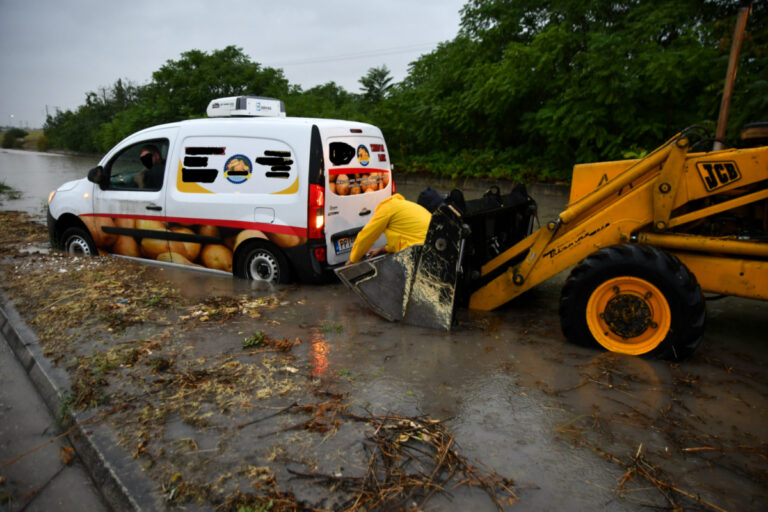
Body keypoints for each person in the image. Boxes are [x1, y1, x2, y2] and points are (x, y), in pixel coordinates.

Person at [347, 193, 431, 264]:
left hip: (421, 253)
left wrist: (352, 259)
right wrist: (383, 249)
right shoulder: (402, 206)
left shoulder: (386, 209)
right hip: (432, 247)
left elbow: (367, 236)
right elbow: (405, 239)